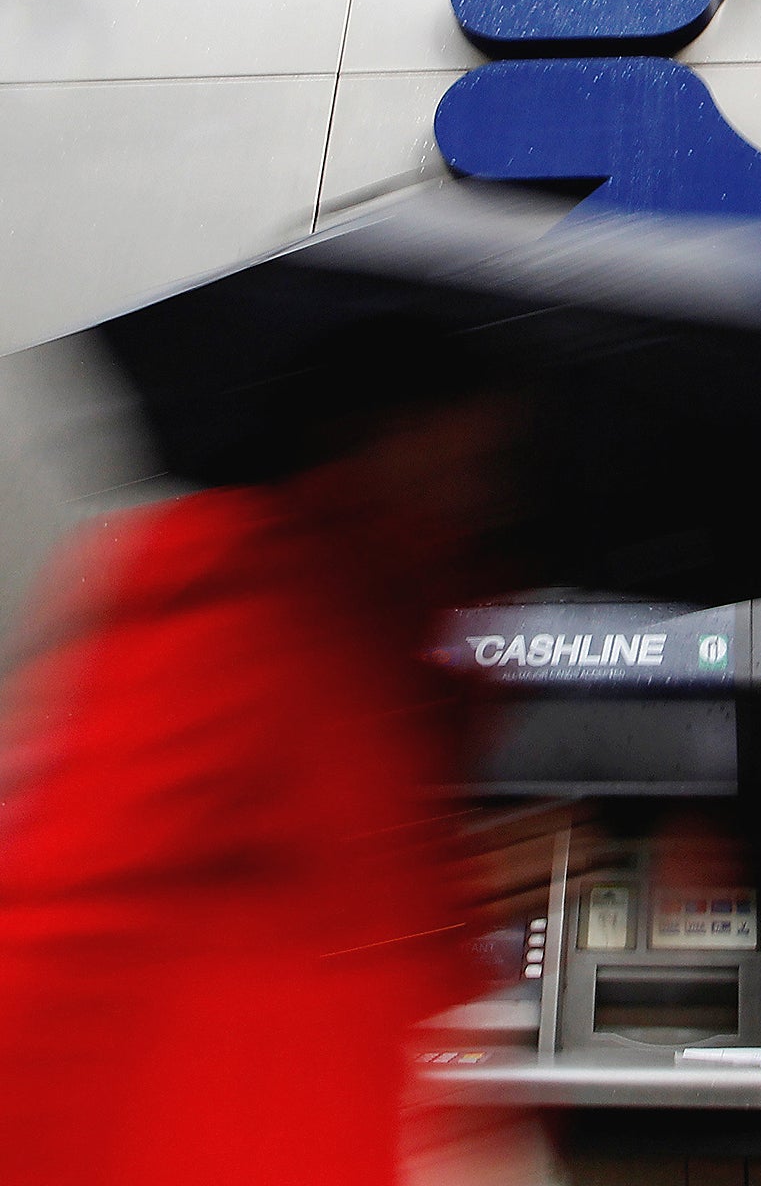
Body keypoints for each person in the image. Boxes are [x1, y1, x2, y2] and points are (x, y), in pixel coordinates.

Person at [0, 321, 529, 1186]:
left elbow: (391, 925)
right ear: (376, 428)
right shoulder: (234, 585)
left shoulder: (412, 648)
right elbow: (63, 920)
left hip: (348, 1140)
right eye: (462, 431)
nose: (485, 476)